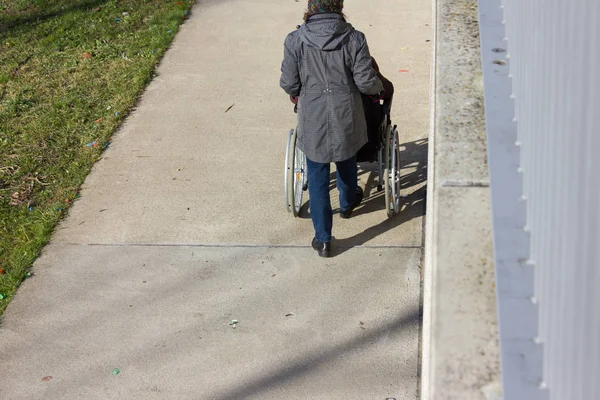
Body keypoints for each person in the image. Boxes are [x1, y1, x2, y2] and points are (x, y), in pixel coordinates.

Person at [280, 0, 384, 257]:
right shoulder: (354, 38)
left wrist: (297, 93)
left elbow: (289, 82)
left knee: (316, 175)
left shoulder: (295, 40)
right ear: (338, 7)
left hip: (313, 114)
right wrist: (378, 88)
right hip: (345, 112)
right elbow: (364, 80)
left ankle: (323, 239)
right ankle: (348, 204)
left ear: (311, 9)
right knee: (347, 159)